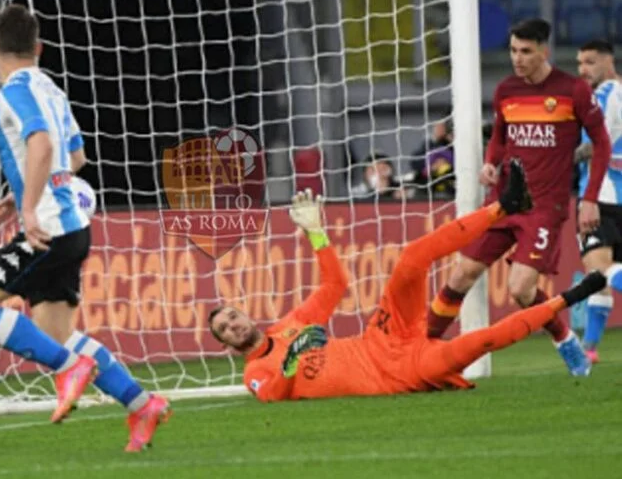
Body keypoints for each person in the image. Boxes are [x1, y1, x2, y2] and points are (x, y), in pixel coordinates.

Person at [0, 4, 169, 452]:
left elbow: (42, 142)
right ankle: (142, 403)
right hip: (74, 227)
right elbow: (74, 159)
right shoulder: (52, 89)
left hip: (47, 227)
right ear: (40, 48)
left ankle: (68, 369)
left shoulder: (14, 89)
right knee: (57, 336)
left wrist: (28, 210)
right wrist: (21, 194)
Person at [208, 162, 607, 402]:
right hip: (399, 375)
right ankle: (571, 298)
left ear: (243, 311)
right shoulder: (254, 374)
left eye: (231, 315)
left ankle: (504, 205)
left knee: (412, 258)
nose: (233, 323)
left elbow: (334, 286)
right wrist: (292, 362)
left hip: (381, 337)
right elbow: (275, 396)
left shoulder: (287, 326)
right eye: (225, 329)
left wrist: (317, 234)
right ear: (227, 345)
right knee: (476, 342)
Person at [425, 18, 611, 377]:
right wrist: (491, 163)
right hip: (503, 202)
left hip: (545, 207)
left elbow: (601, 144)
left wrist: (589, 198)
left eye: (526, 51)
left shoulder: (573, 91)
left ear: (544, 51)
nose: (517, 58)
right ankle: (418, 346)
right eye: (513, 50)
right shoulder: (507, 90)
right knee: (462, 274)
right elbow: (500, 136)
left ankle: (564, 339)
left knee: (521, 290)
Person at [574, 39, 622, 363]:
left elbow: (595, 144)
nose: (583, 70)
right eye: (579, 63)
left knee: (598, 268)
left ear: (608, 62)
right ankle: (589, 348)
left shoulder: (604, 95)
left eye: (590, 62)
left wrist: (561, 154)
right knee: (601, 275)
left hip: (602, 194)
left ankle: (588, 348)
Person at [410, 120, 455, 198]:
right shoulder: (428, 145)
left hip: (450, 184)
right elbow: (414, 163)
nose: (439, 129)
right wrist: (431, 165)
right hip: (429, 185)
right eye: (437, 127)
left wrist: (446, 163)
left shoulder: (454, 147)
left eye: (442, 127)